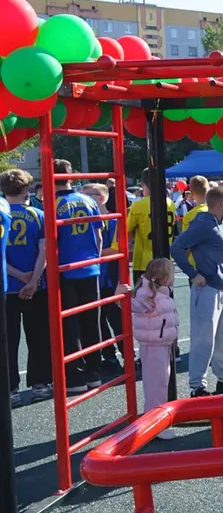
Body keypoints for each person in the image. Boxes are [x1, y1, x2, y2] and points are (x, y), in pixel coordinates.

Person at [170, 186, 223, 397]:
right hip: (207, 289)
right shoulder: (203, 224)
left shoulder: (221, 222)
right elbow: (177, 247)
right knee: (203, 339)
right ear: (220, 204)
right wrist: (192, 274)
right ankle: (197, 387)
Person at [54, 159, 105, 393]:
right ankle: (95, 370)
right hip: (90, 265)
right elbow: (99, 236)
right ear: (71, 176)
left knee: (68, 323)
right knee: (91, 321)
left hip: (65, 268)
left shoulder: (52, 203)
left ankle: (75, 375)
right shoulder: (87, 200)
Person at [3, 169, 51, 405]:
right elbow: (45, 251)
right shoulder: (37, 214)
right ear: (25, 190)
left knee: (9, 340)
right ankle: (39, 384)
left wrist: (19, 276)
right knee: (38, 336)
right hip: (35, 285)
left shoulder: (2, 214)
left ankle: (10, 388)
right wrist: (32, 280)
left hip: (8, 285)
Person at [125, 258, 178, 436]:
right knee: (156, 384)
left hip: (161, 343)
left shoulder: (158, 291)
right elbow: (133, 305)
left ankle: (156, 419)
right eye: (172, 274)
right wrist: (121, 297)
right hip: (154, 344)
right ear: (163, 278)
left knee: (161, 381)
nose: (174, 278)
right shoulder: (147, 294)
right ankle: (154, 424)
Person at [83, 182, 126, 372]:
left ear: (101, 198)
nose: (83, 200)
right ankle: (108, 356)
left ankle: (127, 354)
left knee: (116, 319)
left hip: (110, 278)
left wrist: (89, 254)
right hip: (92, 278)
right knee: (97, 321)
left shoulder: (114, 220)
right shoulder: (84, 221)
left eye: (88, 195)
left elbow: (117, 248)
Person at [125, 168, 176, 283]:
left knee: (143, 298)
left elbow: (127, 232)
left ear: (143, 184)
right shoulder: (170, 203)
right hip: (166, 259)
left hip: (145, 263)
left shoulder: (139, 205)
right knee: (165, 297)